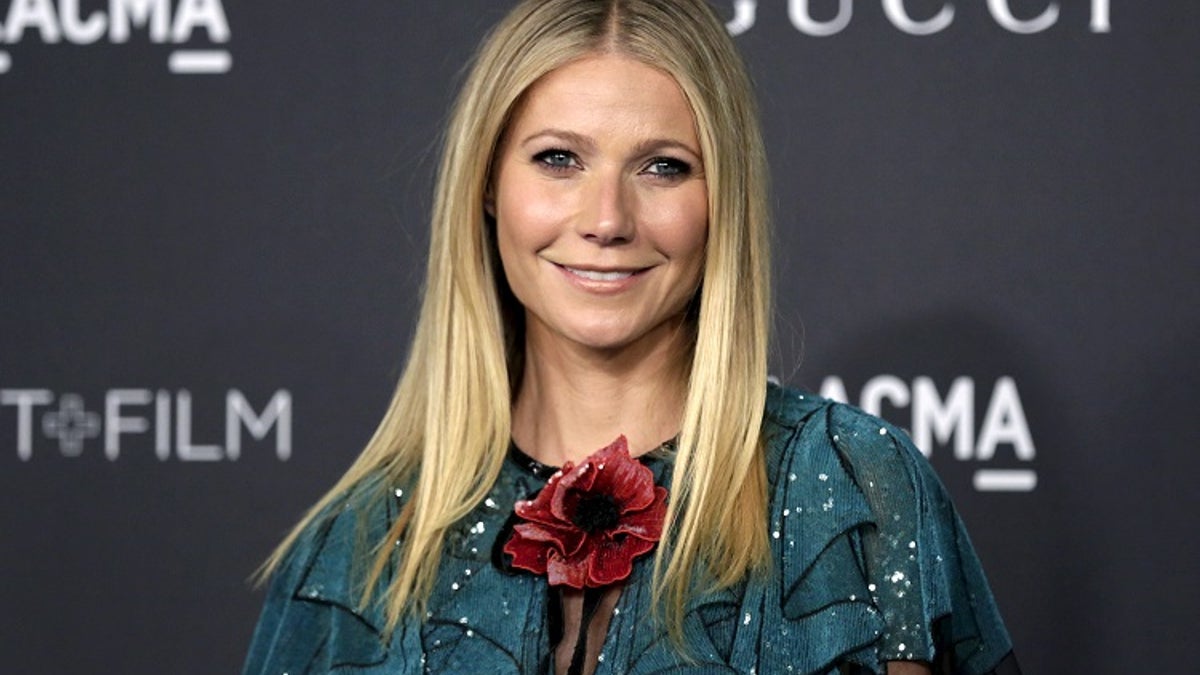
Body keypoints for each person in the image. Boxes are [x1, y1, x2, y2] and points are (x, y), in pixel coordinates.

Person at [242, 1, 1020, 673]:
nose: (607, 219)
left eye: (663, 167)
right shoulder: (356, 549)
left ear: (724, 202)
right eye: (558, 159)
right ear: (487, 184)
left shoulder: (854, 491)